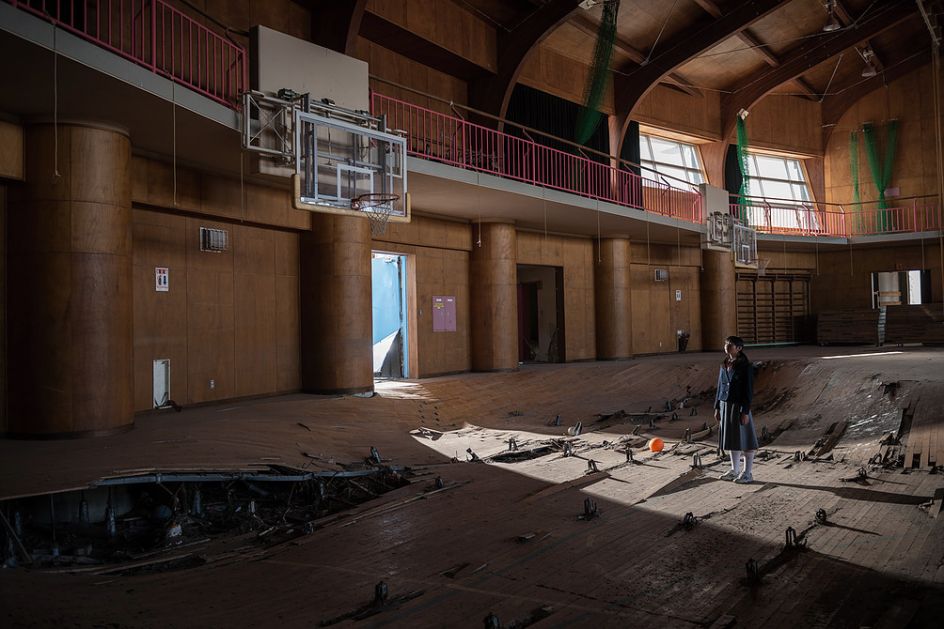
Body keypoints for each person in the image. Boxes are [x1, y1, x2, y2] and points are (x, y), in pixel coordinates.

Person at [714, 336, 759, 483]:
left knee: (746, 439)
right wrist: (717, 407)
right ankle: (734, 470)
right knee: (732, 439)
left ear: (739, 348)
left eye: (730, 345)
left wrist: (745, 411)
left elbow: (748, 391)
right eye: (726, 344)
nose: (727, 346)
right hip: (725, 404)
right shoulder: (724, 364)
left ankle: (747, 473)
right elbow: (720, 386)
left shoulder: (746, 366)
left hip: (739, 406)